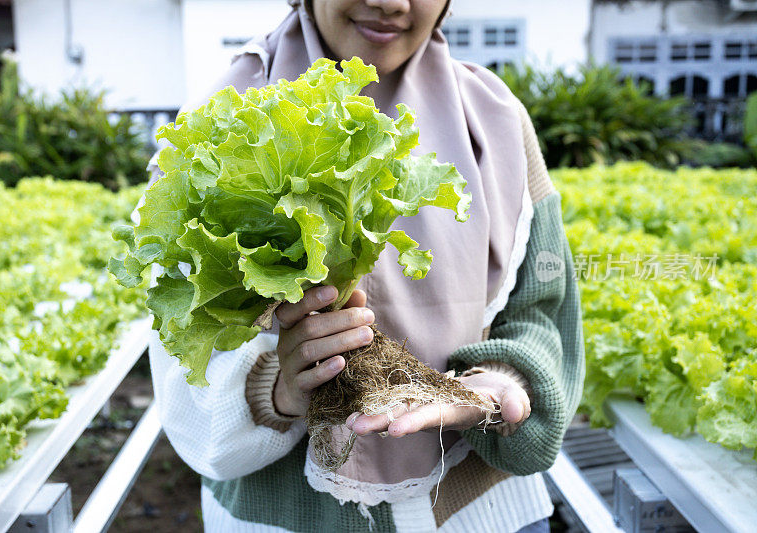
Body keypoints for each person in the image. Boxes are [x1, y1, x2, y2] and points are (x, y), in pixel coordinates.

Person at [146, 1, 585, 531]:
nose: (392, 3)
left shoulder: (495, 119)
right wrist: (281, 391)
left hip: (483, 515)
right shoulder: (217, 125)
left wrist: (496, 385)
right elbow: (185, 372)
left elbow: (541, 314)